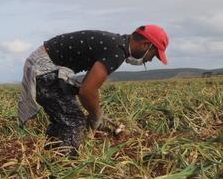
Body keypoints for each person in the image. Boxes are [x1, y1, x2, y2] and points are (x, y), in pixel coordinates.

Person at [17, 25, 169, 154]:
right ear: (145, 45)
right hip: (44, 68)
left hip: (43, 65)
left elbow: (87, 86)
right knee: (74, 121)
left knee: (65, 116)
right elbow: (87, 91)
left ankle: (50, 153)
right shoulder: (116, 51)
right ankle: (64, 167)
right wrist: (97, 116)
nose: (148, 60)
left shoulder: (116, 44)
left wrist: (96, 114)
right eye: (153, 55)